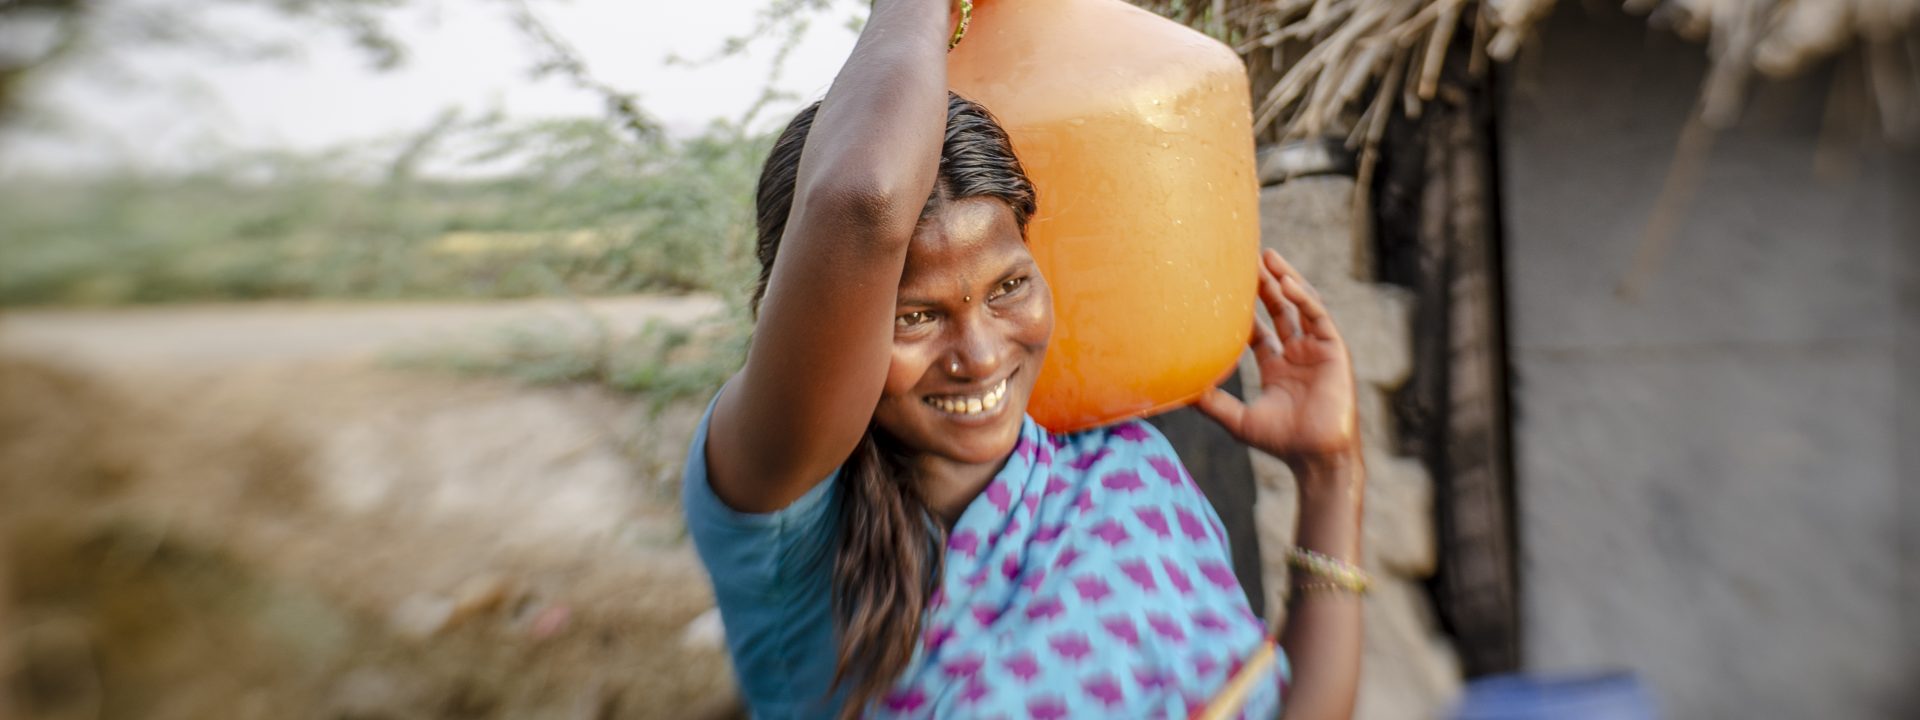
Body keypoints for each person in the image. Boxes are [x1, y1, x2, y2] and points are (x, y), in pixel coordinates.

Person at [682, 0, 1364, 717]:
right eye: (915, 317)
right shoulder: (789, 520)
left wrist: (1329, 476)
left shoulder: (1122, 474)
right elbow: (863, 197)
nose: (979, 356)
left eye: (1007, 287)